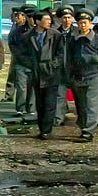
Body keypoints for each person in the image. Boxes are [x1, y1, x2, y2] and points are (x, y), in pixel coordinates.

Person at [66, 9, 98, 141]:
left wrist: (96, 58)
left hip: (93, 75)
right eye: (80, 23)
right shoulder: (73, 39)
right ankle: (83, 126)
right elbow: (68, 57)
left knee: (92, 104)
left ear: (91, 23)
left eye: (85, 23)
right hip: (77, 76)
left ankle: (88, 130)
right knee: (81, 105)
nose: (83, 25)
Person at [24, 8, 63, 140]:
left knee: (50, 103)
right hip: (36, 74)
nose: (49, 22)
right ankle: (42, 128)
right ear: (37, 21)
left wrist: (53, 65)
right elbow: (21, 54)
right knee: (40, 103)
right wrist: (31, 65)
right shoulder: (28, 36)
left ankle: (47, 129)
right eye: (46, 19)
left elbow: (61, 54)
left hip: (51, 73)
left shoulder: (55, 35)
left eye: (49, 19)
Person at [6, 6, 37, 121]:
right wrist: (20, 57)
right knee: (21, 87)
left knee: (32, 87)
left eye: (32, 17)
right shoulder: (18, 31)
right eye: (28, 16)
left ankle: (31, 108)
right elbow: (12, 44)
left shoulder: (38, 31)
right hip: (21, 63)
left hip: (34, 63)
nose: (30, 19)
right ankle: (20, 108)